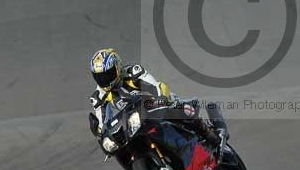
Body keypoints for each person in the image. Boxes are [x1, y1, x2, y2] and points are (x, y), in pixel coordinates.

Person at [87, 48, 227, 156]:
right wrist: (100, 133)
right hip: (135, 122)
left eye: (108, 74)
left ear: (117, 67)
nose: (105, 80)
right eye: (100, 77)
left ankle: (211, 135)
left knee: (182, 110)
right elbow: (102, 123)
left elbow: (156, 86)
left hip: (157, 104)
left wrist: (161, 99)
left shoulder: (133, 72)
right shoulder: (98, 97)